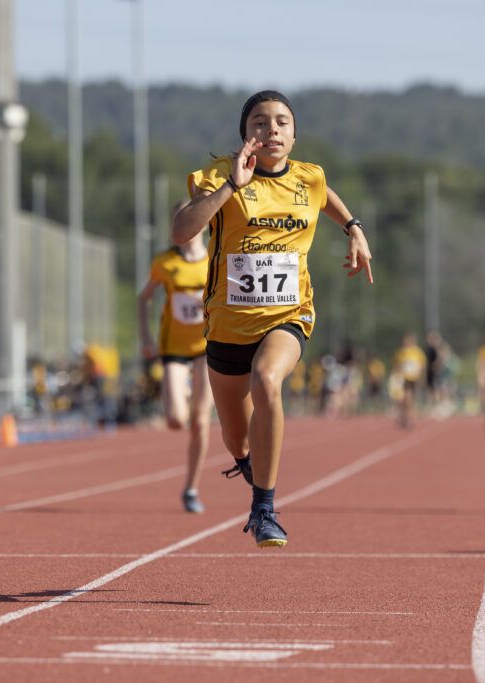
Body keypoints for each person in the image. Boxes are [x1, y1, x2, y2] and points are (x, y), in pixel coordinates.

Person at [172, 90, 373, 547]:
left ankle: (264, 508)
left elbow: (327, 197)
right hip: (226, 325)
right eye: (260, 123)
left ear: (294, 134)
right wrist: (231, 188)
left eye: (282, 122)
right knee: (235, 441)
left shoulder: (309, 178)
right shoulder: (219, 175)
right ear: (246, 135)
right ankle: (250, 462)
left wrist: (354, 228)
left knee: (267, 379)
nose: (272, 130)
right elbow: (182, 231)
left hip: (288, 314)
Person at [137, 200, 213, 513]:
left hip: (209, 348)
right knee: (175, 420)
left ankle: (192, 488)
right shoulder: (164, 263)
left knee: (200, 421)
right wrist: (146, 338)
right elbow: (144, 299)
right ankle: (179, 390)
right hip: (174, 349)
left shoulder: (216, 259)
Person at [391, 332, 427, 429]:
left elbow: (422, 365)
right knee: (405, 398)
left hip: (414, 379)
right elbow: (396, 365)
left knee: (410, 399)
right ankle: (406, 416)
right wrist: (398, 374)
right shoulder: (401, 352)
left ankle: (407, 416)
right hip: (404, 378)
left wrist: (422, 377)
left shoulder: (417, 352)